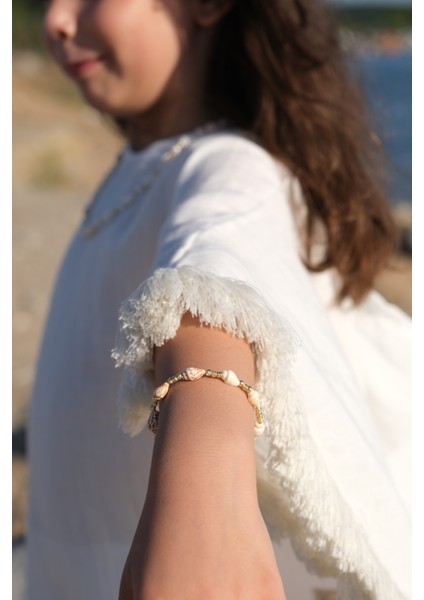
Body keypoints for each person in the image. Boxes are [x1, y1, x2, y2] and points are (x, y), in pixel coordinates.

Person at [25, 0, 411, 598]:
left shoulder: (230, 166)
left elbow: (219, 263)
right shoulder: (143, 160)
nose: (57, 20)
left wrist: (206, 485)